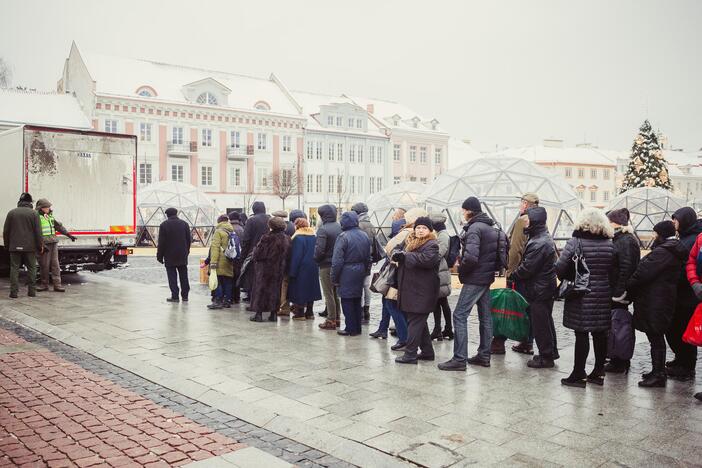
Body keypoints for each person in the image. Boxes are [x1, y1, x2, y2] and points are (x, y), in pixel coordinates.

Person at [439, 197, 504, 371]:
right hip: (486, 276)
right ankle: (484, 355)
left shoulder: (474, 229)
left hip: (475, 277)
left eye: (463, 210)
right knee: (485, 316)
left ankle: (459, 359)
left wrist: (462, 270)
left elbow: (471, 257)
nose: (462, 213)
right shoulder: (490, 227)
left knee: (459, 315)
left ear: (469, 210)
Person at [556, 208, 614, 388]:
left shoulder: (576, 241)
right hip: (603, 292)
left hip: (581, 293)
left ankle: (578, 373)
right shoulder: (610, 244)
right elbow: (614, 270)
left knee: (581, 333)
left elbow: (560, 267)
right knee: (599, 333)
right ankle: (598, 372)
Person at [627, 221, 686, 388]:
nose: (653, 236)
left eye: (655, 233)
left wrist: (629, 285)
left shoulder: (664, 252)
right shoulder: (671, 249)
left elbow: (643, 272)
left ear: (662, 234)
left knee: (655, 336)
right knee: (656, 336)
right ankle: (657, 371)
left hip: (657, 300)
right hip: (660, 298)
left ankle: (659, 374)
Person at [369, 208, 427, 348]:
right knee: (389, 302)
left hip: (399, 273)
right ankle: (394, 333)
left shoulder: (408, 233)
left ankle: (405, 338)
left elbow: (391, 248)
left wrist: (397, 255)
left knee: (392, 303)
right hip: (399, 272)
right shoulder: (410, 233)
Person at [509, 207, 558, 368]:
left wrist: (513, 275)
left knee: (541, 324)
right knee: (546, 321)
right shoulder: (541, 237)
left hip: (539, 289)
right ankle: (550, 352)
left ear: (535, 222)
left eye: (528, 220)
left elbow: (528, 268)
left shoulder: (539, 242)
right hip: (543, 287)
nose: (526, 222)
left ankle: (546, 357)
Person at [494, 192, 540, 355]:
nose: (520, 205)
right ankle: (527, 342)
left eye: (521, 202)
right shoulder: (538, 220)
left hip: (518, 272)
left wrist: (510, 272)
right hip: (529, 272)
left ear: (526, 204)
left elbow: (516, 248)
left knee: (511, 305)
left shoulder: (522, 220)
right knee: (525, 307)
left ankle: (500, 342)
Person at [393, 217, 441, 364]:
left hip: (423, 291)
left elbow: (426, 260)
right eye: (418, 227)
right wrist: (397, 253)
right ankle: (427, 352)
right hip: (411, 289)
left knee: (414, 321)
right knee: (418, 321)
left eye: (424, 228)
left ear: (429, 231)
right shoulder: (409, 241)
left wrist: (405, 255)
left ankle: (410, 354)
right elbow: (396, 248)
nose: (420, 230)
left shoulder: (432, 244)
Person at [667, 207, 702, 381]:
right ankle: (680, 360)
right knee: (676, 328)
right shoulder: (686, 237)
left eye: (676, 219)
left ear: (685, 220)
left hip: (689, 295)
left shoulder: (692, 240)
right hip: (683, 292)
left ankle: (687, 366)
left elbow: (688, 264)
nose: (674, 222)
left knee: (682, 329)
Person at [605, 208, 641, 373]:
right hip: (615, 291)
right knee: (615, 324)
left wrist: (619, 293)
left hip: (619, 293)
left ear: (616, 223)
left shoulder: (626, 241)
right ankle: (616, 356)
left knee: (619, 325)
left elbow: (627, 268)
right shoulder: (620, 238)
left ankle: (620, 360)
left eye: (609, 221)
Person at [331, 211, 371, 336]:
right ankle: (357, 327)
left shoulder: (343, 236)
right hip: (360, 269)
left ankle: (350, 328)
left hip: (346, 270)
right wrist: (365, 270)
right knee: (356, 299)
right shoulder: (364, 235)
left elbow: (337, 260)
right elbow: (368, 256)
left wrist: (334, 277)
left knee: (347, 300)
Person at [249, 217, 291, 322]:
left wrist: (254, 251)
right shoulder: (286, 239)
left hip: (265, 268)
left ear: (271, 226)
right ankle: (273, 314)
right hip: (279, 268)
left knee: (261, 289)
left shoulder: (266, 238)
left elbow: (258, 254)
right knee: (276, 290)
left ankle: (258, 314)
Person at [3, 193, 43, 298]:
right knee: (32, 268)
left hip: (14, 246)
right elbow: (38, 232)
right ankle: (32, 292)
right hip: (30, 247)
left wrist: (7, 245)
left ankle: (13, 293)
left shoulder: (11, 213)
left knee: (14, 268)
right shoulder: (34, 214)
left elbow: (6, 231)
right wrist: (40, 245)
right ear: (30, 202)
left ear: (20, 202)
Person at [35, 198, 76, 292]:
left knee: (55, 265)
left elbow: (58, 227)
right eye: (46, 207)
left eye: (49, 207)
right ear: (41, 208)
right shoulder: (36, 218)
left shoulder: (49, 216)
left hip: (53, 242)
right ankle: (44, 284)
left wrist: (69, 235)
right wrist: (40, 244)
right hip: (44, 244)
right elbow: (35, 232)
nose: (48, 208)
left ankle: (57, 285)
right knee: (44, 265)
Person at [288, 217, 322, 320]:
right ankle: (310, 312)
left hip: (302, 267)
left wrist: (292, 271)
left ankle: (300, 313)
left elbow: (297, 256)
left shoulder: (298, 238)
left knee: (300, 289)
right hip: (313, 266)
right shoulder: (313, 236)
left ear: (297, 226)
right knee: (311, 288)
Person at [315, 205, 342, 330]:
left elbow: (319, 250)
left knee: (328, 293)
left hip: (326, 265)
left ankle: (331, 319)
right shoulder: (340, 227)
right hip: (338, 264)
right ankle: (337, 317)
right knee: (335, 292)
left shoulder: (323, 229)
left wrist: (315, 259)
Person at [157, 207, 192, 303]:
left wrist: (159, 256)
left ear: (167, 215)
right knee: (184, 276)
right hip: (182, 254)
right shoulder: (185, 224)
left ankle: (175, 296)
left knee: (172, 277)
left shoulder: (164, 225)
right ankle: (185, 296)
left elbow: (161, 243)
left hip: (169, 255)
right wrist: (187, 251)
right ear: (176, 214)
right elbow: (189, 240)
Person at [241, 201, 270, 305]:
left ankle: (255, 303)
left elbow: (246, 240)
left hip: (254, 254)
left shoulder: (251, 221)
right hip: (269, 254)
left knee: (254, 279)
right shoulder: (270, 219)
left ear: (254, 210)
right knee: (266, 278)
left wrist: (243, 256)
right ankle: (265, 302)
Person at [351, 202, 377, 324]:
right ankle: (366, 310)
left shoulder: (358, 225)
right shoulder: (371, 225)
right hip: (369, 259)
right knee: (366, 286)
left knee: (358, 286)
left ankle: (360, 311)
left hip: (359, 260)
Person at [430, 213, 453, 341]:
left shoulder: (443, 236)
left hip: (440, 272)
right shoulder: (442, 234)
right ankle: (442, 329)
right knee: (440, 302)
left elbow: (439, 253)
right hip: (441, 271)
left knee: (440, 302)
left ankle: (443, 329)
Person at [207, 215, 235, 310]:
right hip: (229, 259)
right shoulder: (231, 231)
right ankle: (227, 301)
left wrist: (213, 262)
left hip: (219, 260)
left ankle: (218, 301)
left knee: (217, 280)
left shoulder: (218, 232)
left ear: (219, 222)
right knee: (227, 281)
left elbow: (215, 248)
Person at [228, 211, 245, 304]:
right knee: (237, 276)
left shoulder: (229, 228)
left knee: (230, 277)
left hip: (229, 257)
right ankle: (237, 297)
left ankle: (230, 296)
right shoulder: (242, 229)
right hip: (239, 257)